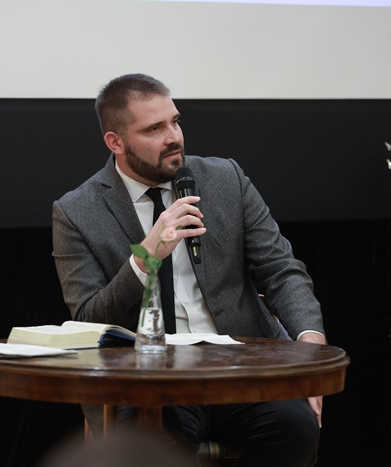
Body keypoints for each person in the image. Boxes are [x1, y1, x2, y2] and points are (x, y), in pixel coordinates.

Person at [51, 73, 327, 467]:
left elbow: (281, 270)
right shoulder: (77, 211)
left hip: (239, 370)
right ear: (116, 142)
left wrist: (309, 343)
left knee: (296, 427)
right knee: (154, 441)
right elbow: (88, 319)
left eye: (175, 122)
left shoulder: (225, 179)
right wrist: (145, 257)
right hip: (148, 382)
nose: (174, 137)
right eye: (154, 129)